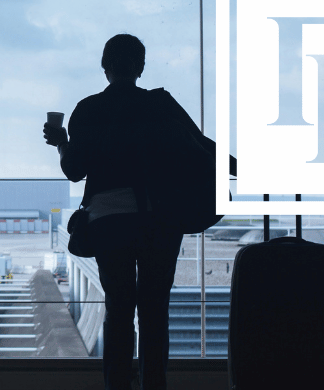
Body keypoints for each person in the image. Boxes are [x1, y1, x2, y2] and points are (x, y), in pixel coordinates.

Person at [43, 33, 233, 390]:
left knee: (118, 312)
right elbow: (202, 145)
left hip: (109, 222)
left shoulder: (89, 109)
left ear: (105, 67)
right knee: (154, 314)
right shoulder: (160, 104)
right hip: (159, 219)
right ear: (141, 67)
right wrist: (245, 169)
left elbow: (74, 171)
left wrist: (62, 143)